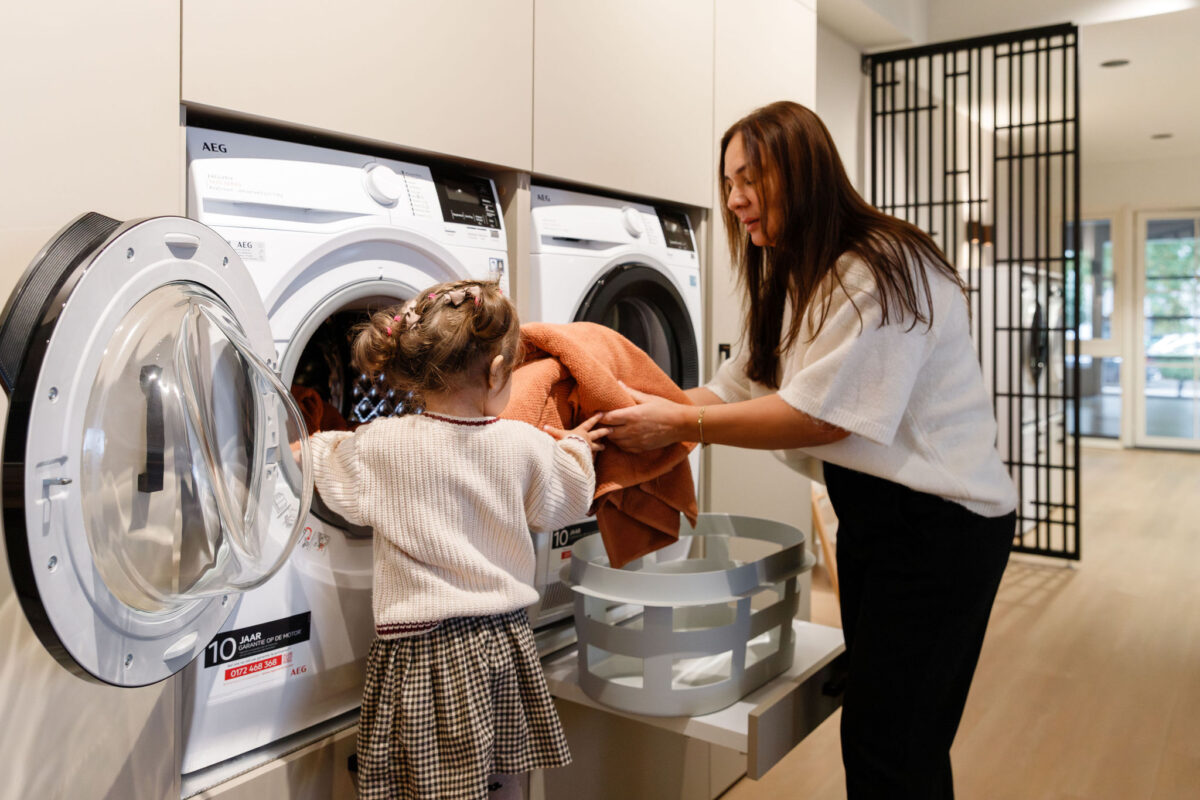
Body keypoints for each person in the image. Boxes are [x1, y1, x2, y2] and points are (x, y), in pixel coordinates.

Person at [602, 101, 1018, 799]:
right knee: (885, 732)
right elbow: (741, 383)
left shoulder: (885, 267)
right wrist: (645, 408)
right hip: (877, 519)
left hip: (943, 528)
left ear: (800, 170)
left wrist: (675, 428)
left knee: (894, 746)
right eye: (727, 183)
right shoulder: (798, 272)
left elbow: (824, 420)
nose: (733, 200)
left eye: (748, 180)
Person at [306, 279, 607, 800]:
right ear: (496, 372)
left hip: (419, 652)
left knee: (425, 786)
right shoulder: (525, 444)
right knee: (504, 779)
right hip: (502, 643)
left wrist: (294, 444)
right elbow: (568, 498)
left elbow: (327, 464)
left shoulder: (382, 444)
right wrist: (578, 448)